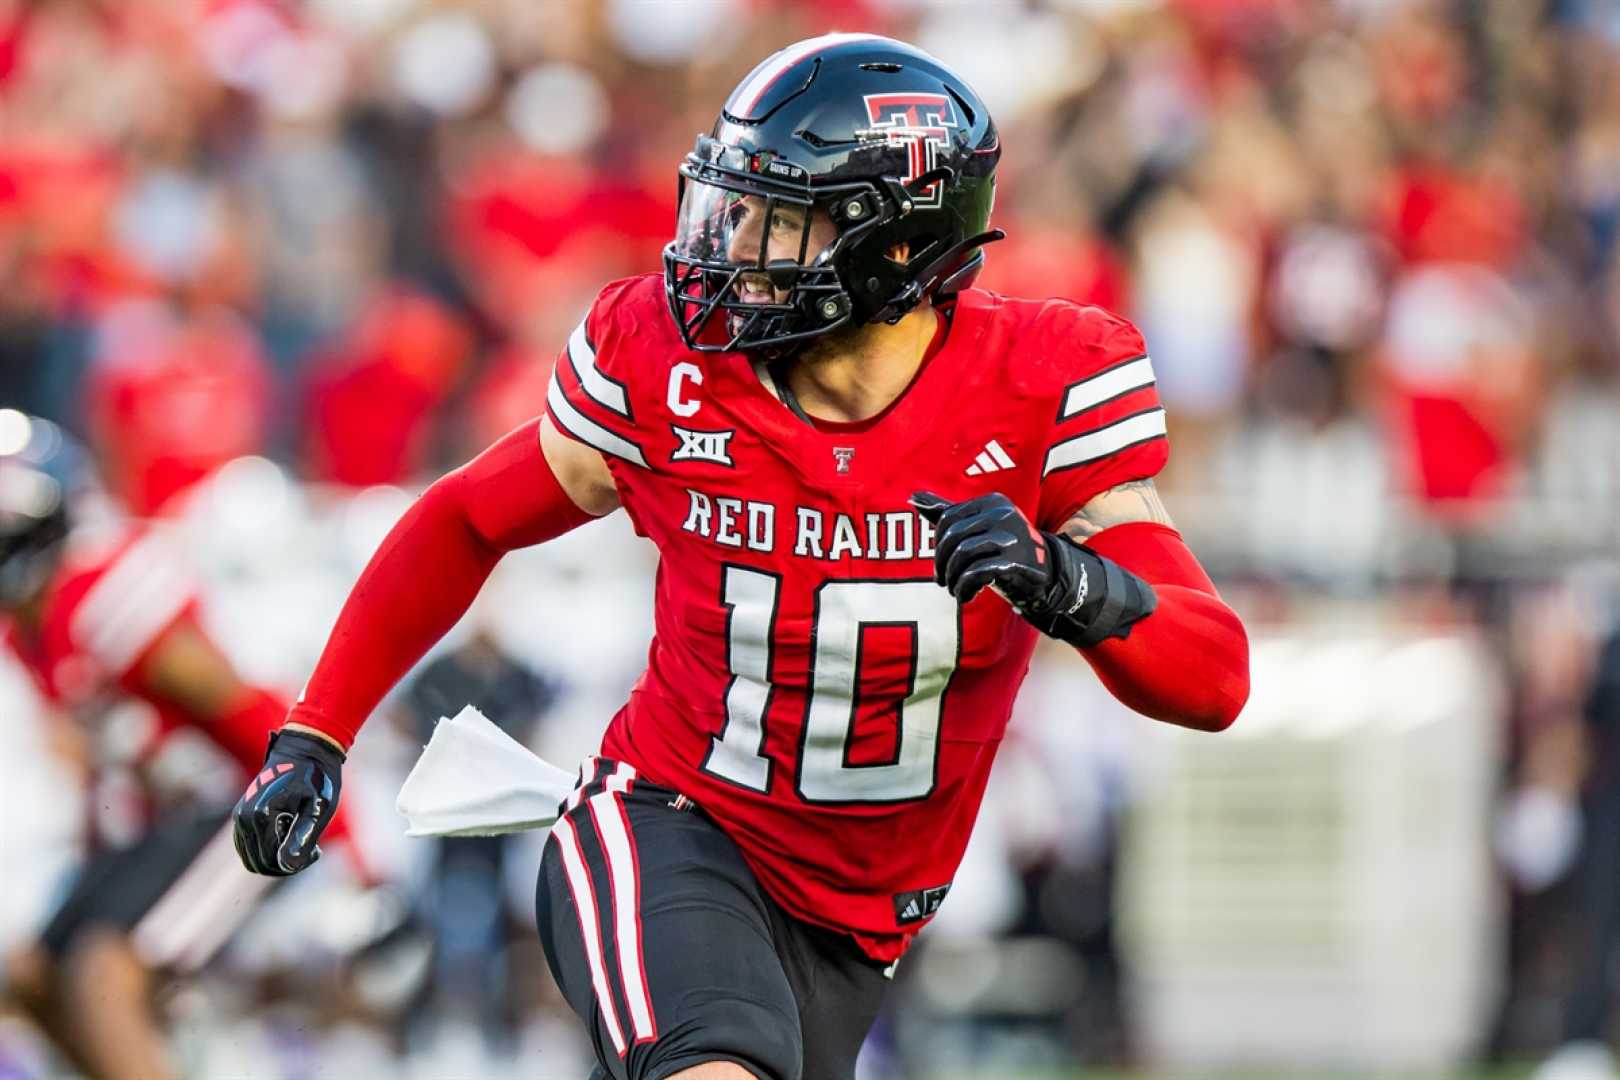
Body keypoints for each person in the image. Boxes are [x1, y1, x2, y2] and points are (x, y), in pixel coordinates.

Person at [232, 34, 1250, 1080]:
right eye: (732, 205)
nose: (727, 247)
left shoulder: (1039, 381)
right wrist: (319, 727)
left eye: (777, 220)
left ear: (892, 247)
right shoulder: (667, 363)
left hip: (860, 918)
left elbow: (1214, 677)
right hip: (671, 824)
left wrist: (1069, 584)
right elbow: (465, 520)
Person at [0, 410, 357, 1080]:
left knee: (102, 977)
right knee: (30, 974)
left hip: (242, 810)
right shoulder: (29, 632)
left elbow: (242, 706)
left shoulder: (98, 593)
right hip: (165, 828)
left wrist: (344, 839)